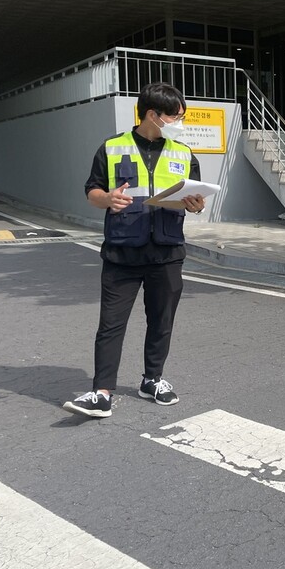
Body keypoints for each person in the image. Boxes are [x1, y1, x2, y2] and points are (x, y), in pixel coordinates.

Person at [63, 82, 206, 418]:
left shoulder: (183, 152)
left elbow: (197, 202)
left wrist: (196, 205)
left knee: (161, 321)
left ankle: (152, 380)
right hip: (122, 252)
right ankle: (101, 392)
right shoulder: (112, 148)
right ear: (153, 115)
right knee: (111, 323)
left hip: (167, 252)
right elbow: (92, 191)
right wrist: (107, 199)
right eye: (175, 116)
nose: (179, 122)